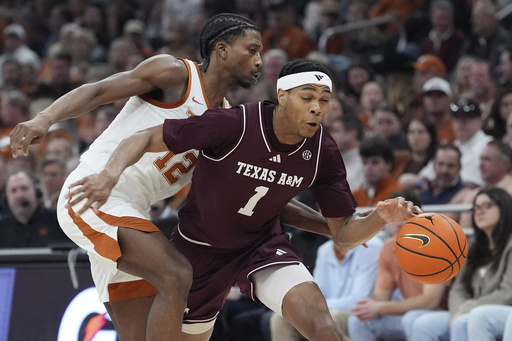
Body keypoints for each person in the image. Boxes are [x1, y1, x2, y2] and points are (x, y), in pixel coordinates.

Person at [62, 59, 420, 341]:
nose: (316, 108)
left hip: (261, 246)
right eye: (307, 97)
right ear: (283, 96)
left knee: (323, 327)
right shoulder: (233, 123)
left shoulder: (323, 151)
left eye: (324, 101)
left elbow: (343, 234)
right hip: (201, 250)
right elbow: (141, 137)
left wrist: (380, 217)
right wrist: (109, 173)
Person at [9, 13, 302, 341]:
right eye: (251, 50)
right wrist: (44, 119)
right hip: (94, 193)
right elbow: (98, 91)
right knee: (177, 275)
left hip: (131, 214)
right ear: (222, 50)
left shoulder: (225, 121)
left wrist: (336, 224)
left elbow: (247, 190)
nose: (259, 61)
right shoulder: (176, 73)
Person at [401, 187, 512, 341]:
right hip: (470, 311)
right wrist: (459, 311)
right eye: (476, 208)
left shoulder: (510, 245)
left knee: (473, 318)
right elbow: (458, 289)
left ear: (505, 207)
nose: (480, 212)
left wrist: (466, 309)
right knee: (421, 323)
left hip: (503, 310)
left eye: (487, 206)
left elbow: (507, 293)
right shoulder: (473, 247)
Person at [347, 189, 447, 341]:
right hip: (410, 316)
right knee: (358, 321)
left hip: (442, 315)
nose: (397, 222)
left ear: (417, 214)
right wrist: (371, 307)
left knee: (414, 320)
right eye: (391, 216)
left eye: (401, 215)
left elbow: (430, 301)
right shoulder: (388, 247)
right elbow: (381, 297)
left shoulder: (437, 244)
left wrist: (380, 307)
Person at [270, 235, 384, 339]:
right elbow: (317, 291)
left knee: (327, 320)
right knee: (280, 319)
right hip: (327, 309)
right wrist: (313, 307)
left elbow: (358, 300)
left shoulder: (371, 246)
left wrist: (315, 308)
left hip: (357, 312)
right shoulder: (324, 249)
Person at [0, 169, 69, 248]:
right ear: (6, 198)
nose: (19, 195)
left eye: (24, 188)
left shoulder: (59, 222)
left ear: (37, 192)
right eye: (13, 191)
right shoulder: (2, 228)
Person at [451, 97, 493, 188]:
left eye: (466, 118)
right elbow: (425, 176)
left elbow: (473, 182)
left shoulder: (488, 145)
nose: (460, 123)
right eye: (457, 118)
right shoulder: (453, 145)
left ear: (480, 121)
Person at [352, 136, 404, 206]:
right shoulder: (355, 196)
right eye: (365, 162)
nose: (368, 167)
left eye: (375, 162)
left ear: (388, 164)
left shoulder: (399, 196)